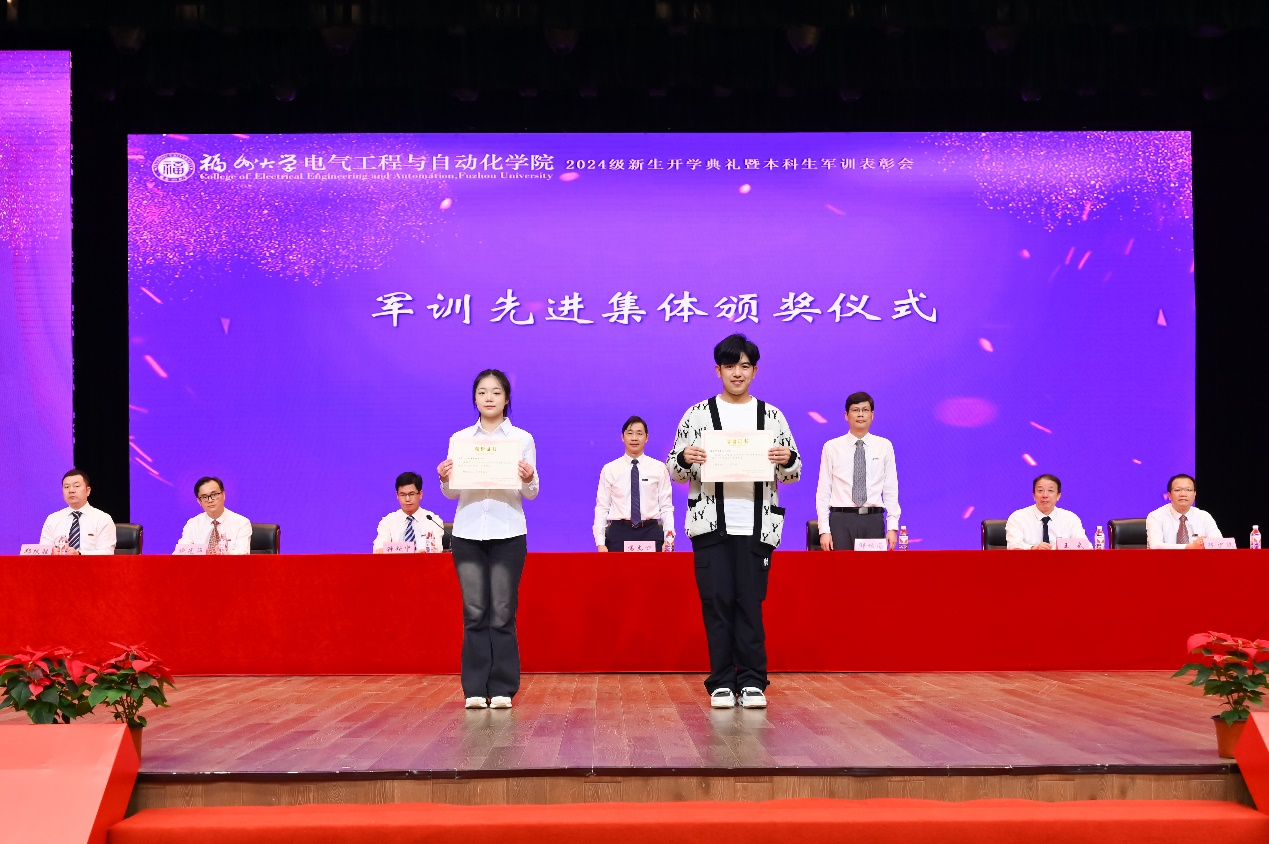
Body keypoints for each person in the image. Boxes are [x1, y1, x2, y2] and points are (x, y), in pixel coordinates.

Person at [667, 334, 800, 710]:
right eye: (730, 366)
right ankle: (722, 682)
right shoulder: (697, 415)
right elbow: (674, 471)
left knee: (750, 604)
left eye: (744, 366)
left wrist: (787, 459)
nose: (737, 373)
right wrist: (685, 457)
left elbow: (794, 472)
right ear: (718, 371)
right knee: (717, 604)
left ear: (755, 371)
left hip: (757, 526)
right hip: (710, 525)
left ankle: (753, 681)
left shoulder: (771, 416)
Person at [437, 369, 538, 710]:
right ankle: (475, 689)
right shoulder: (460, 439)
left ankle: (503, 688)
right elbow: (452, 493)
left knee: (503, 612)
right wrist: (444, 478)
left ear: (506, 398)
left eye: (496, 392)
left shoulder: (522, 439)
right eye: (482, 392)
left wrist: (529, 476)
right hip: (467, 533)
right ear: (475, 399)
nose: (489, 397)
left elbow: (531, 492)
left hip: (508, 533)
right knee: (475, 611)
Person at [814, 392, 900, 551]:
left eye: (865, 410)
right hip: (840, 520)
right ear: (846, 415)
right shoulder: (831, 447)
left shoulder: (884, 446)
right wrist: (824, 530)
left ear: (872, 415)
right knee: (841, 567)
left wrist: (892, 527)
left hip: (873, 520)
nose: (860, 414)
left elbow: (891, 488)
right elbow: (823, 491)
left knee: (872, 568)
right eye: (855, 410)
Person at [594, 416, 676, 552]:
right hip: (619, 533)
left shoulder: (659, 468)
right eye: (630, 433)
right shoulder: (609, 469)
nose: (634, 438)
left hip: (650, 532)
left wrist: (669, 540)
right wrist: (600, 543)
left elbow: (666, 507)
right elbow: (602, 507)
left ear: (646, 438)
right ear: (622, 437)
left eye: (639, 434)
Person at [39, 469, 116, 554]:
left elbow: (107, 553)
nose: (71, 490)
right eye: (66, 487)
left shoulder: (103, 519)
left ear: (88, 491)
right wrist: (51, 552)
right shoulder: (52, 519)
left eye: (76, 486)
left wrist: (79, 554)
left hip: (90, 563)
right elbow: (43, 551)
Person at [1004, 474, 1089, 550]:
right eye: (1040, 490)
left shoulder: (1070, 518)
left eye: (1050, 491)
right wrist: (1033, 548)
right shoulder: (1018, 517)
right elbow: (1013, 545)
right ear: (1034, 495)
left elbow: (1085, 546)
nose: (1045, 495)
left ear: (1058, 496)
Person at [175, 476, 252, 555]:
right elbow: (180, 553)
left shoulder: (241, 523)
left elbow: (243, 554)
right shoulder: (192, 524)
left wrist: (224, 553)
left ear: (223, 495)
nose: (210, 500)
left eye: (214, 494)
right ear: (199, 501)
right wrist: (202, 552)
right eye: (204, 497)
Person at [373, 471, 446, 553]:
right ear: (397, 495)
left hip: (424, 561)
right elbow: (379, 546)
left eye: (411, 494)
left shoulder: (433, 520)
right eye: (403, 495)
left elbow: (437, 548)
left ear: (420, 494)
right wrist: (381, 549)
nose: (407, 499)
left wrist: (424, 553)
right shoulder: (388, 522)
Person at [1147, 474, 1223, 549]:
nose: (1183, 494)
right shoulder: (1155, 516)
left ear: (1195, 494)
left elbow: (1219, 544)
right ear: (1169, 495)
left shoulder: (1204, 516)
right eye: (1177, 490)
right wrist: (1189, 547)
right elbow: (1156, 546)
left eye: (1188, 490)